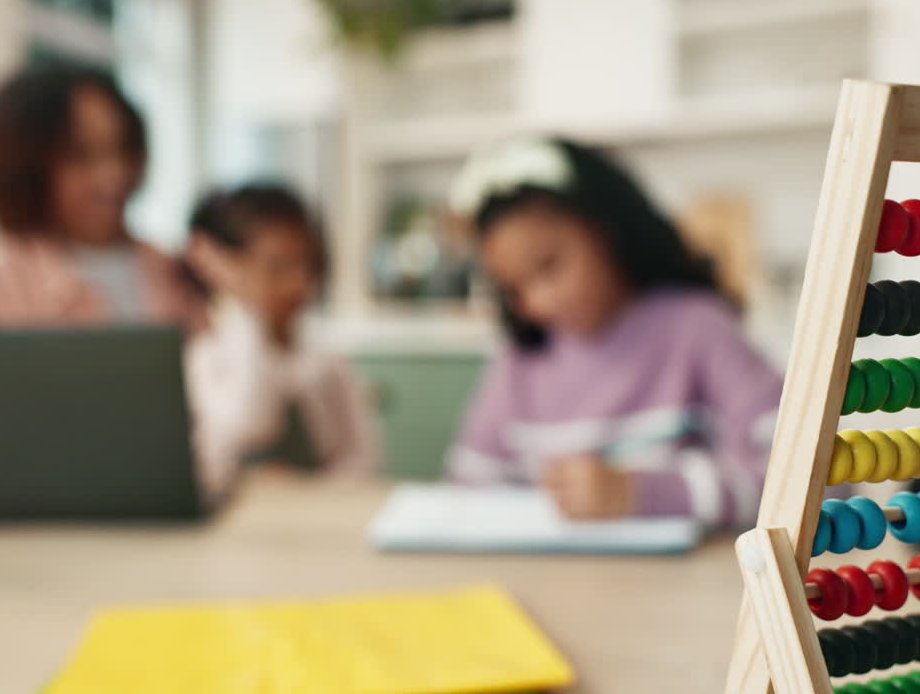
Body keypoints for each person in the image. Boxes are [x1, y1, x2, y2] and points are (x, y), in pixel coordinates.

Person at [0, 65, 201, 485]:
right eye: (82, 157)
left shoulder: (176, 269)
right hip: (31, 524)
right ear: (26, 164)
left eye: (122, 150)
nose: (113, 174)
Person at [446, 137, 782, 527]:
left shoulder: (699, 329)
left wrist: (646, 494)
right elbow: (464, 491)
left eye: (550, 265)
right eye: (515, 289)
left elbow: (813, 482)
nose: (539, 302)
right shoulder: (520, 361)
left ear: (607, 229)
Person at [179, 184, 378, 489]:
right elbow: (250, 424)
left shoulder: (326, 362)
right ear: (230, 268)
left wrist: (311, 489)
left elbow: (363, 460)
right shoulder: (206, 359)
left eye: (308, 264)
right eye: (277, 268)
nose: (298, 282)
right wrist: (244, 307)